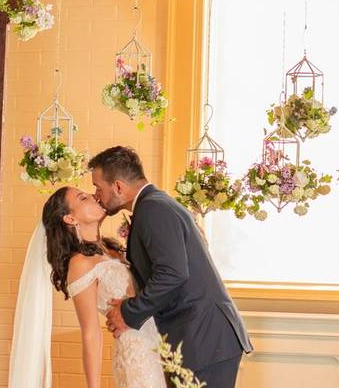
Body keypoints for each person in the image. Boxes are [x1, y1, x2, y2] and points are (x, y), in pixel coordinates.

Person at [92, 146, 253, 388]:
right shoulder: (155, 204)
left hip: (204, 338)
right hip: (198, 337)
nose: (96, 195)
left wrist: (128, 312)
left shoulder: (153, 209)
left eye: (99, 188)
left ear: (118, 186)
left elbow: (172, 273)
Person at [9, 184, 167, 388]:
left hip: (164, 343)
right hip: (139, 352)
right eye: (83, 198)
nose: (94, 196)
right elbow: (90, 331)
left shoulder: (112, 249)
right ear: (70, 218)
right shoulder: (80, 263)